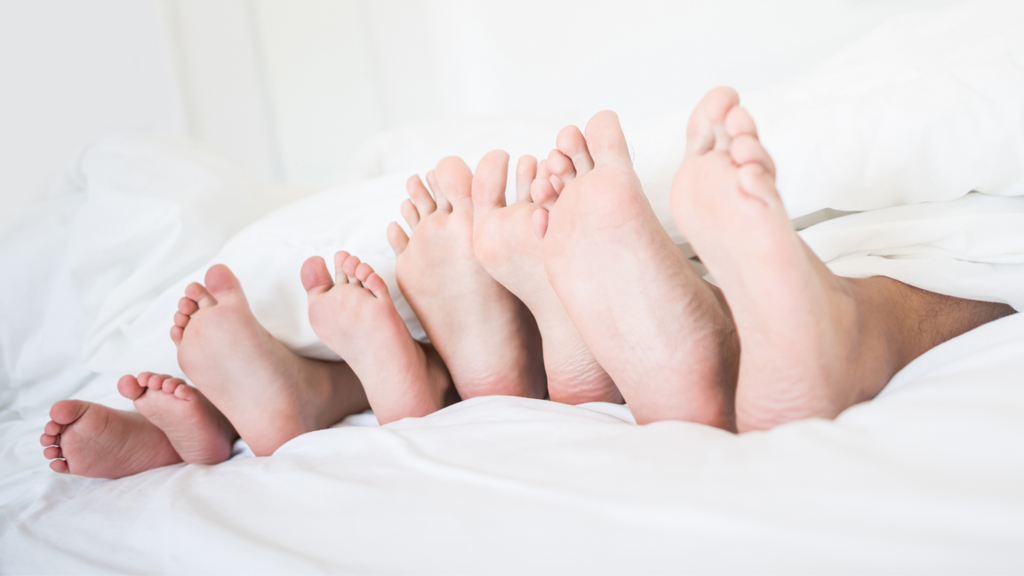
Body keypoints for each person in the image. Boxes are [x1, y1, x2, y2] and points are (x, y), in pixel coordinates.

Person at [40, 87, 1014, 478]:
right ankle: (816, 324)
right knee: (959, 238)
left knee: (451, 238)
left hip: (439, 316)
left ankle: (376, 379)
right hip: (535, 292)